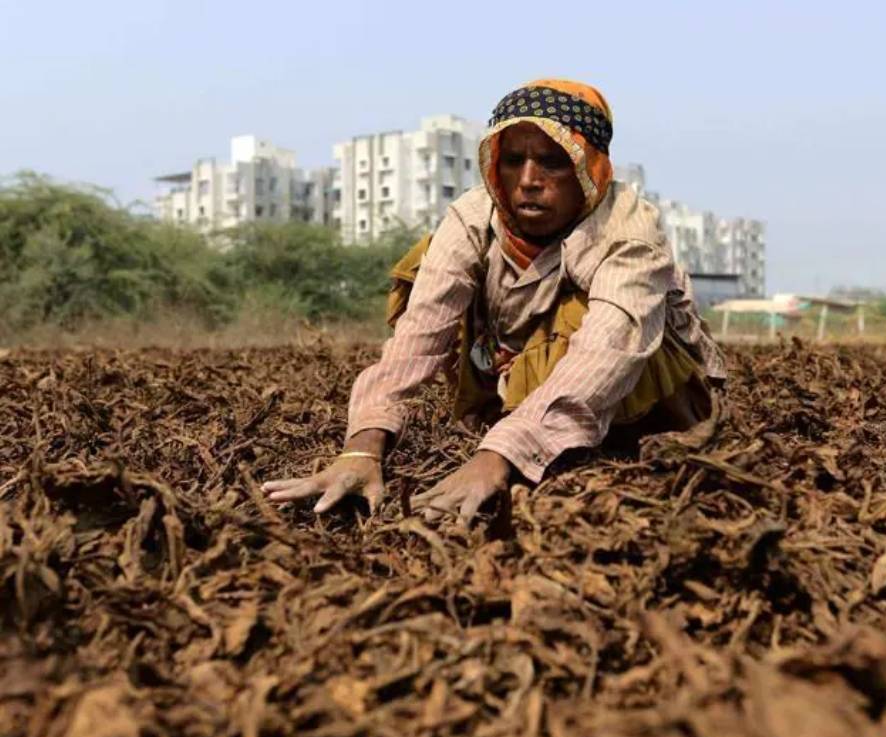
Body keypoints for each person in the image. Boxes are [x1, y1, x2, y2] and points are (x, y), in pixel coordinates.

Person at [262, 78, 726, 524]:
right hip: (517, 373)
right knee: (425, 265)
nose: (528, 180)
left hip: (648, 401)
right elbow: (419, 337)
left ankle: (561, 439)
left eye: (553, 162)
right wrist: (361, 449)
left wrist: (498, 455)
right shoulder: (473, 216)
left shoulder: (628, 231)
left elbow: (607, 352)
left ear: (590, 169)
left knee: (583, 316)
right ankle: (514, 419)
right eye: (514, 160)